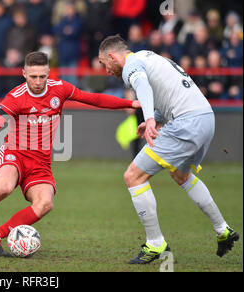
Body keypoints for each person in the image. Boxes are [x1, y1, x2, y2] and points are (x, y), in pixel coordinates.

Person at [0, 51, 140, 256]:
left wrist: (130, 103)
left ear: (49, 73)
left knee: (45, 203)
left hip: (40, 163)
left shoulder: (60, 89)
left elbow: (93, 99)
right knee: (4, 187)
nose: (38, 81)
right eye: (33, 76)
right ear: (24, 73)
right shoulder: (16, 97)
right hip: (15, 153)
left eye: (42, 76)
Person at [97, 35, 239, 264]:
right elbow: (170, 94)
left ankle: (155, 243)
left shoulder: (132, 66)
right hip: (205, 118)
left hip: (186, 124)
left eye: (104, 64)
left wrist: (150, 118)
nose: (106, 70)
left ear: (112, 57)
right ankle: (223, 230)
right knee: (180, 174)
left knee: (133, 176)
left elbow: (141, 85)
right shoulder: (149, 56)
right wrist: (157, 119)